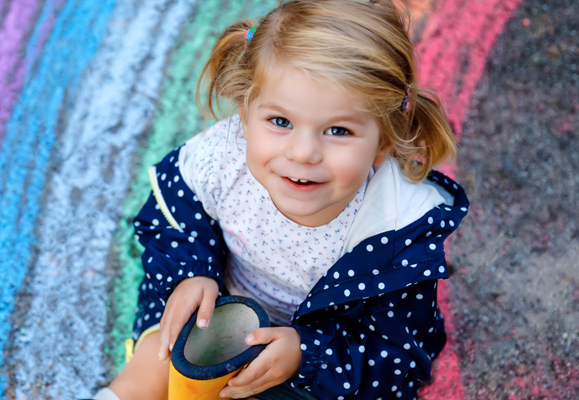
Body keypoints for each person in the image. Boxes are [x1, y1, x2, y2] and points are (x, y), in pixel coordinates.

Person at [94, 0, 469, 398]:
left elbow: (395, 357)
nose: (303, 152)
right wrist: (190, 273)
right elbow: (172, 213)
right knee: (155, 363)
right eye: (280, 122)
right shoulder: (225, 158)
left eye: (338, 130)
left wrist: (306, 355)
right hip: (215, 314)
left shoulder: (394, 233)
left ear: (384, 142)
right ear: (245, 110)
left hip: (315, 364)